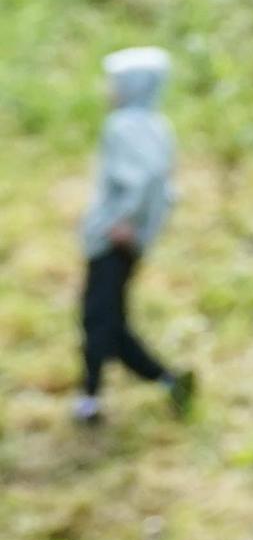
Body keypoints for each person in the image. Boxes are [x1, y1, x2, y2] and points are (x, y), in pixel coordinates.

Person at [75, 46, 196, 424]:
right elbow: (163, 186)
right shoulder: (156, 126)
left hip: (114, 237)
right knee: (109, 320)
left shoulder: (125, 125)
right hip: (129, 237)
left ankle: (91, 398)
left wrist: (124, 220)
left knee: (98, 319)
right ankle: (167, 380)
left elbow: (144, 179)